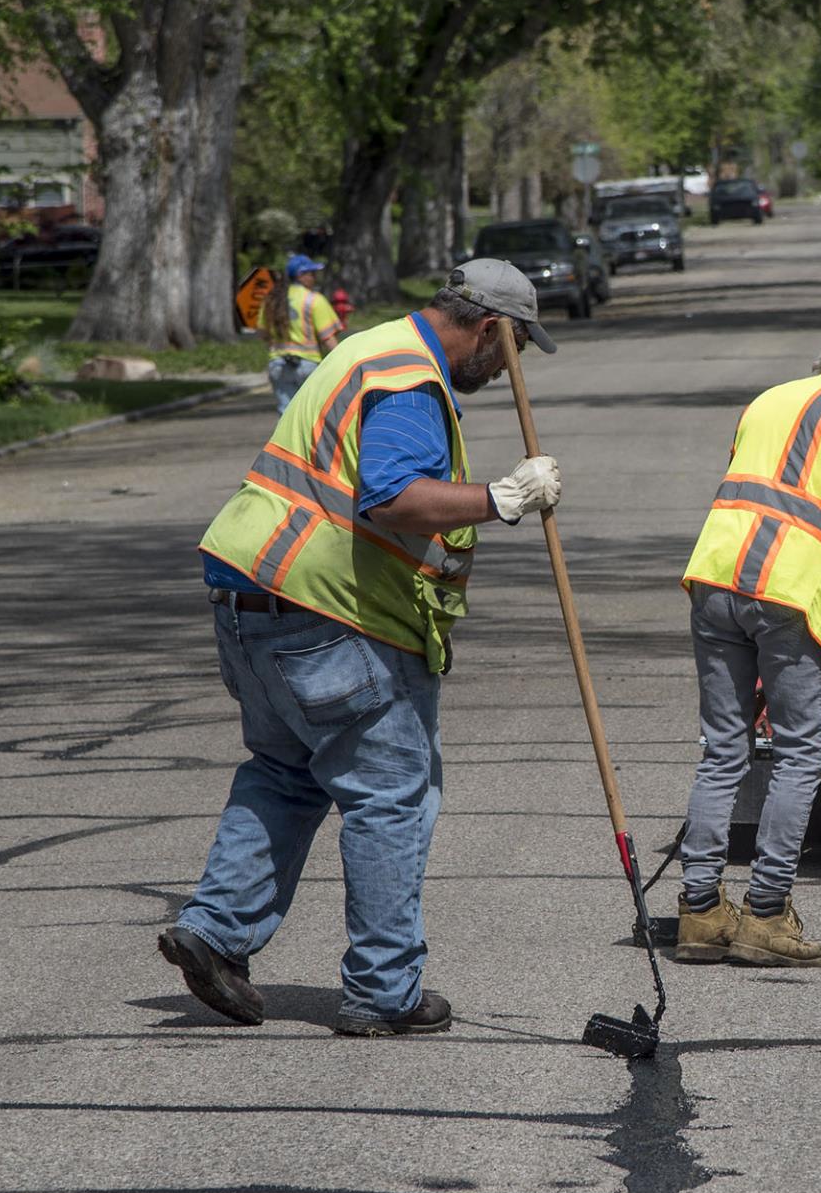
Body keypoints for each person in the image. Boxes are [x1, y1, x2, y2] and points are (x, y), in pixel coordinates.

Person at [157, 259, 565, 1035]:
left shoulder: (369, 348)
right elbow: (392, 497)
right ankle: (383, 990)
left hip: (250, 600)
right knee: (390, 795)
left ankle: (213, 932)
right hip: (326, 616)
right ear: (488, 329)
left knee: (285, 772)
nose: (506, 365)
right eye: (512, 346)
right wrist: (501, 499)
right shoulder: (411, 382)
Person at [675, 318, 821, 968]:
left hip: (716, 572)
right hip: (788, 587)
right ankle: (766, 914)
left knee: (724, 749)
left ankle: (699, 911)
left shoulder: (770, 398)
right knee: (801, 752)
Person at [263, 253, 342, 413]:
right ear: (301, 276)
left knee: (286, 413)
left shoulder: (272, 300)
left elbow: (263, 333)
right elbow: (328, 339)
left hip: (278, 365)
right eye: (311, 274)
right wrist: (344, 362)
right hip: (308, 366)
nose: (314, 277)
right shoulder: (313, 300)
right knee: (311, 414)